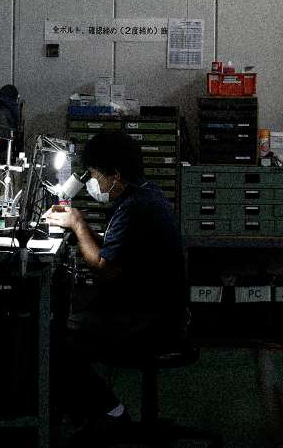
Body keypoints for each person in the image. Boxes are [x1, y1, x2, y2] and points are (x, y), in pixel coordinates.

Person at [42, 131, 188, 435]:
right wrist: (80, 227)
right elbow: (115, 249)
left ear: (116, 175)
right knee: (65, 323)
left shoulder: (134, 207)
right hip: (159, 309)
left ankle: (111, 412)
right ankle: (83, 410)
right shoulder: (145, 194)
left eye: (95, 176)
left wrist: (78, 224)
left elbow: (105, 269)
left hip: (147, 320)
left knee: (52, 337)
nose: (92, 183)